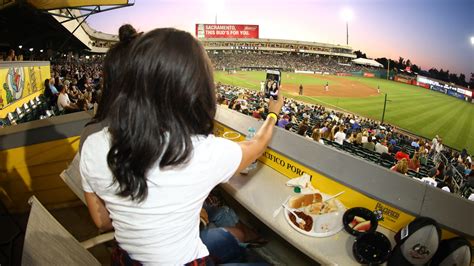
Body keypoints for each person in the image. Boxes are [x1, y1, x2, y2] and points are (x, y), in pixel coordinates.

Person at [80, 28, 284, 265]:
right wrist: (272, 113)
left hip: (127, 260)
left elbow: (104, 221)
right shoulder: (199, 151)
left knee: (226, 235)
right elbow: (257, 145)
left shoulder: (93, 145)